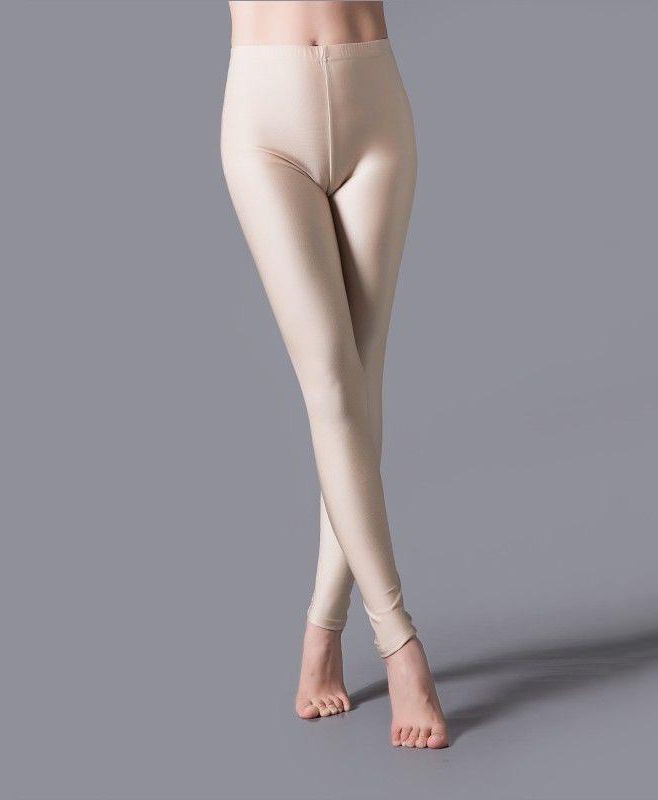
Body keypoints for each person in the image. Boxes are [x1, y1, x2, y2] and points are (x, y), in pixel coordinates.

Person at [221, 1, 448, 749]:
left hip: (375, 97)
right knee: (330, 382)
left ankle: (323, 627)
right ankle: (399, 641)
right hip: (267, 119)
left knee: (360, 386)